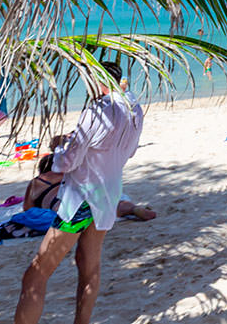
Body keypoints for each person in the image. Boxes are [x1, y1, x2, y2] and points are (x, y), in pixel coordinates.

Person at [13, 61, 144, 324]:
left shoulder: (97, 110)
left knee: (36, 274)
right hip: (109, 193)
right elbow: (127, 151)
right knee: (89, 266)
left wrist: (61, 147)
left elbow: (67, 163)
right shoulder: (134, 109)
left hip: (82, 198)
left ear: (97, 80)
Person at [23, 150, 155, 222]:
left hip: (58, 201)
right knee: (112, 205)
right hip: (83, 192)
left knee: (67, 211)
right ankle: (133, 209)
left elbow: (28, 209)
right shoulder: (69, 172)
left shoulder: (37, 181)